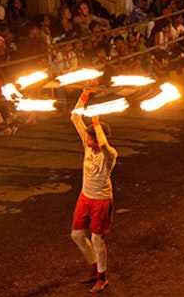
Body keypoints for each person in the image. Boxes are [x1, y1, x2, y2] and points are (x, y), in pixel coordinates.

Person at [70, 88, 118, 294]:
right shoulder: (88, 145)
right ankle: (93, 268)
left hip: (101, 200)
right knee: (77, 235)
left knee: (98, 239)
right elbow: (74, 117)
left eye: (91, 138)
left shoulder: (109, 154)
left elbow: (104, 144)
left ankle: (102, 277)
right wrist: (84, 95)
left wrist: (97, 123)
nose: (87, 141)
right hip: (85, 196)